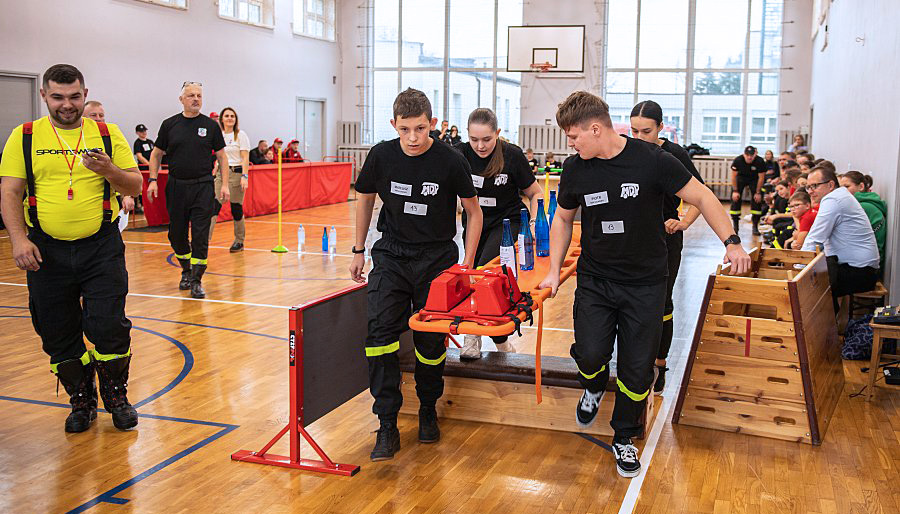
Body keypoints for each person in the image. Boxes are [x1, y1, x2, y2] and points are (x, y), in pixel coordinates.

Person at [539, 91, 750, 479]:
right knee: (589, 353)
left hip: (646, 284)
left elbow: (702, 196)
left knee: (637, 371)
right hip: (596, 280)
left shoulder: (653, 161)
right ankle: (594, 384)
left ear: (596, 128)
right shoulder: (576, 169)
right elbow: (564, 219)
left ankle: (624, 437)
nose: (571, 144)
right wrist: (554, 270)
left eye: (574, 136)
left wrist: (732, 242)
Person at [0, 64, 143, 433]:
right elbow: (11, 191)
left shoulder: (107, 134)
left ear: (85, 93)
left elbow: (135, 186)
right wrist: (18, 238)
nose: (68, 104)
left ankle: (115, 395)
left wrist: (109, 170)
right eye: (59, 97)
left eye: (75, 96)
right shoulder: (25, 136)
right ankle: (81, 399)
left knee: (109, 324)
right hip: (46, 252)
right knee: (56, 329)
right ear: (44, 95)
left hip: (101, 247)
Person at [349, 88, 483, 462]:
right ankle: (387, 422)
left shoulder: (451, 161)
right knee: (379, 335)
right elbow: (364, 200)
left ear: (433, 124)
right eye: (405, 129)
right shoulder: (381, 155)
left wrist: (467, 265)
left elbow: (474, 213)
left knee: (428, 342)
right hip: (391, 255)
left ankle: (427, 407)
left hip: (436, 260)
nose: (412, 137)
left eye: (420, 129)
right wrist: (359, 250)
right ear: (394, 124)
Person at [629, 100, 706, 394]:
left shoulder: (674, 154)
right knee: (633, 301)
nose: (639, 137)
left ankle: (659, 365)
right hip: (634, 238)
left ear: (660, 128)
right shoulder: (627, 150)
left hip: (665, 239)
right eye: (634, 131)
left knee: (662, 303)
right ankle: (635, 361)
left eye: (646, 131)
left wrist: (684, 221)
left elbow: (702, 195)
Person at [457, 107, 544, 359]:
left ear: (497, 133)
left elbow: (535, 193)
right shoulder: (460, 155)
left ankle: (471, 336)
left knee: (484, 273)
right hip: (475, 224)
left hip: (507, 223)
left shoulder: (512, 156)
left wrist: (536, 219)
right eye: (474, 140)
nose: (480, 146)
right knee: (470, 274)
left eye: (486, 139)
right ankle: (500, 339)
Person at [147, 82, 229, 299]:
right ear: (181, 99)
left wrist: (225, 184)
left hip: (203, 186)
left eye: (199, 95)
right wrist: (152, 180)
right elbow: (156, 154)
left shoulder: (210, 127)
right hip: (176, 187)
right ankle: (185, 270)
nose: (196, 99)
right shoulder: (169, 125)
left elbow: (222, 156)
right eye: (191, 95)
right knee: (177, 234)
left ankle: (197, 279)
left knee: (201, 235)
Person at [801, 167, 879, 308]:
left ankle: (827, 328)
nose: (810, 191)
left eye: (814, 186)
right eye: (808, 187)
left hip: (860, 272)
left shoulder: (833, 200)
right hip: (859, 268)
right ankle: (829, 325)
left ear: (830, 185)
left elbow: (815, 238)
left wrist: (797, 264)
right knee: (813, 276)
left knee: (808, 286)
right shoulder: (839, 196)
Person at [209, 107, 250, 252]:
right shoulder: (219, 135)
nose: (229, 118)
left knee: (236, 208)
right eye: (226, 116)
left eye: (232, 116)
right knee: (213, 206)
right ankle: (204, 240)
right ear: (222, 119)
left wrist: (245, 176)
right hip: (221, 174)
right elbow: (220, 155)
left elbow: (245, 157)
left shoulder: (240, 135)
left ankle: (239, 241)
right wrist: (216, 165)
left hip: (237, 173)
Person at [840, 171, 887, 272]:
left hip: (864, 267)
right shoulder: (865, 204)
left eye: (846, 187)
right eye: (840, 188)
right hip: (867, 264)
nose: (842, 192)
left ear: (861, 186)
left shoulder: (862, 207)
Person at [729, 145, 766, 236]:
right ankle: (735, 227)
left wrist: (758, 192)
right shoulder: (738, 160)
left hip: (754, 179)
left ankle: (755, 227)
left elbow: (761, 178)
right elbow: (733, 176)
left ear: (755, 155)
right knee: (735, 199)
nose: (749, 157)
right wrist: (735, 191)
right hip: (741, 178)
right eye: (747, 155)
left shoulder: (760, 161)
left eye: (751, 155)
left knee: (757, 200)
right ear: (744, 154)